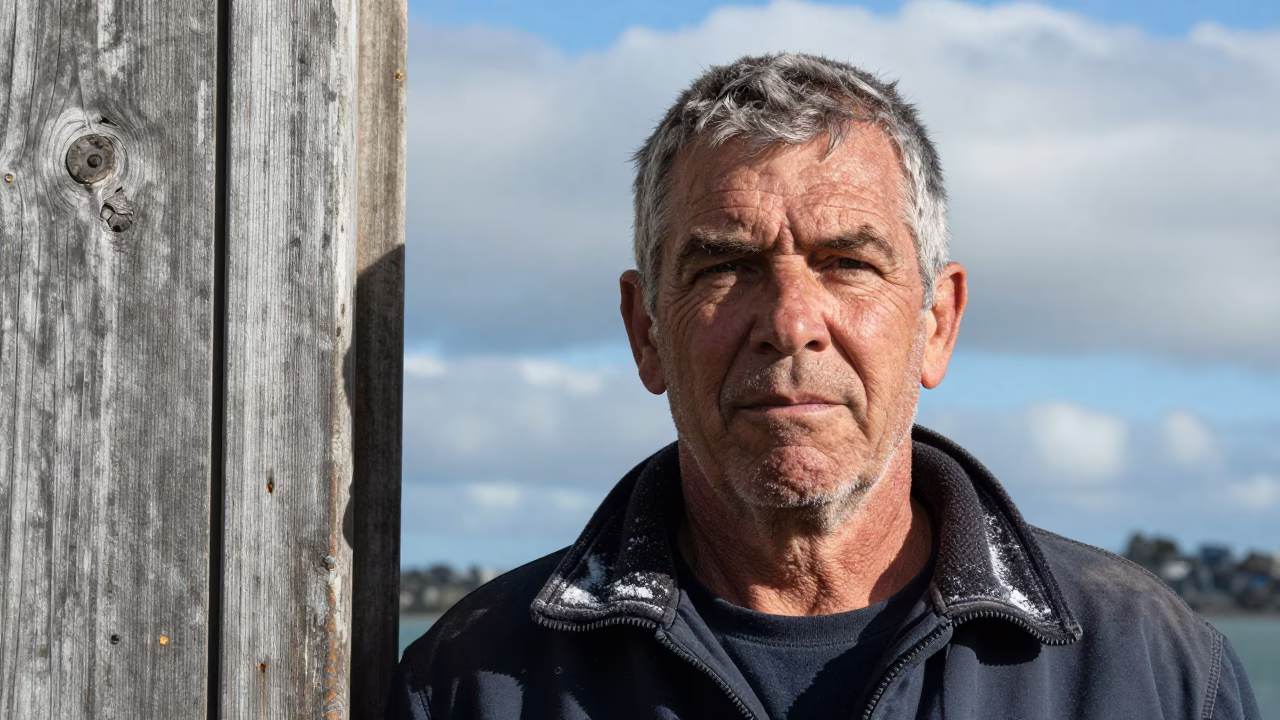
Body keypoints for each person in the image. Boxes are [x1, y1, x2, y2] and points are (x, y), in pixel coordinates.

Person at [386, 52, 1261, 719]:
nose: (790, 319)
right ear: (645, 330)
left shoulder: (1146, 667)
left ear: (937, 323)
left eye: (847, 262)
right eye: (726, 264)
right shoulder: (473, 686)